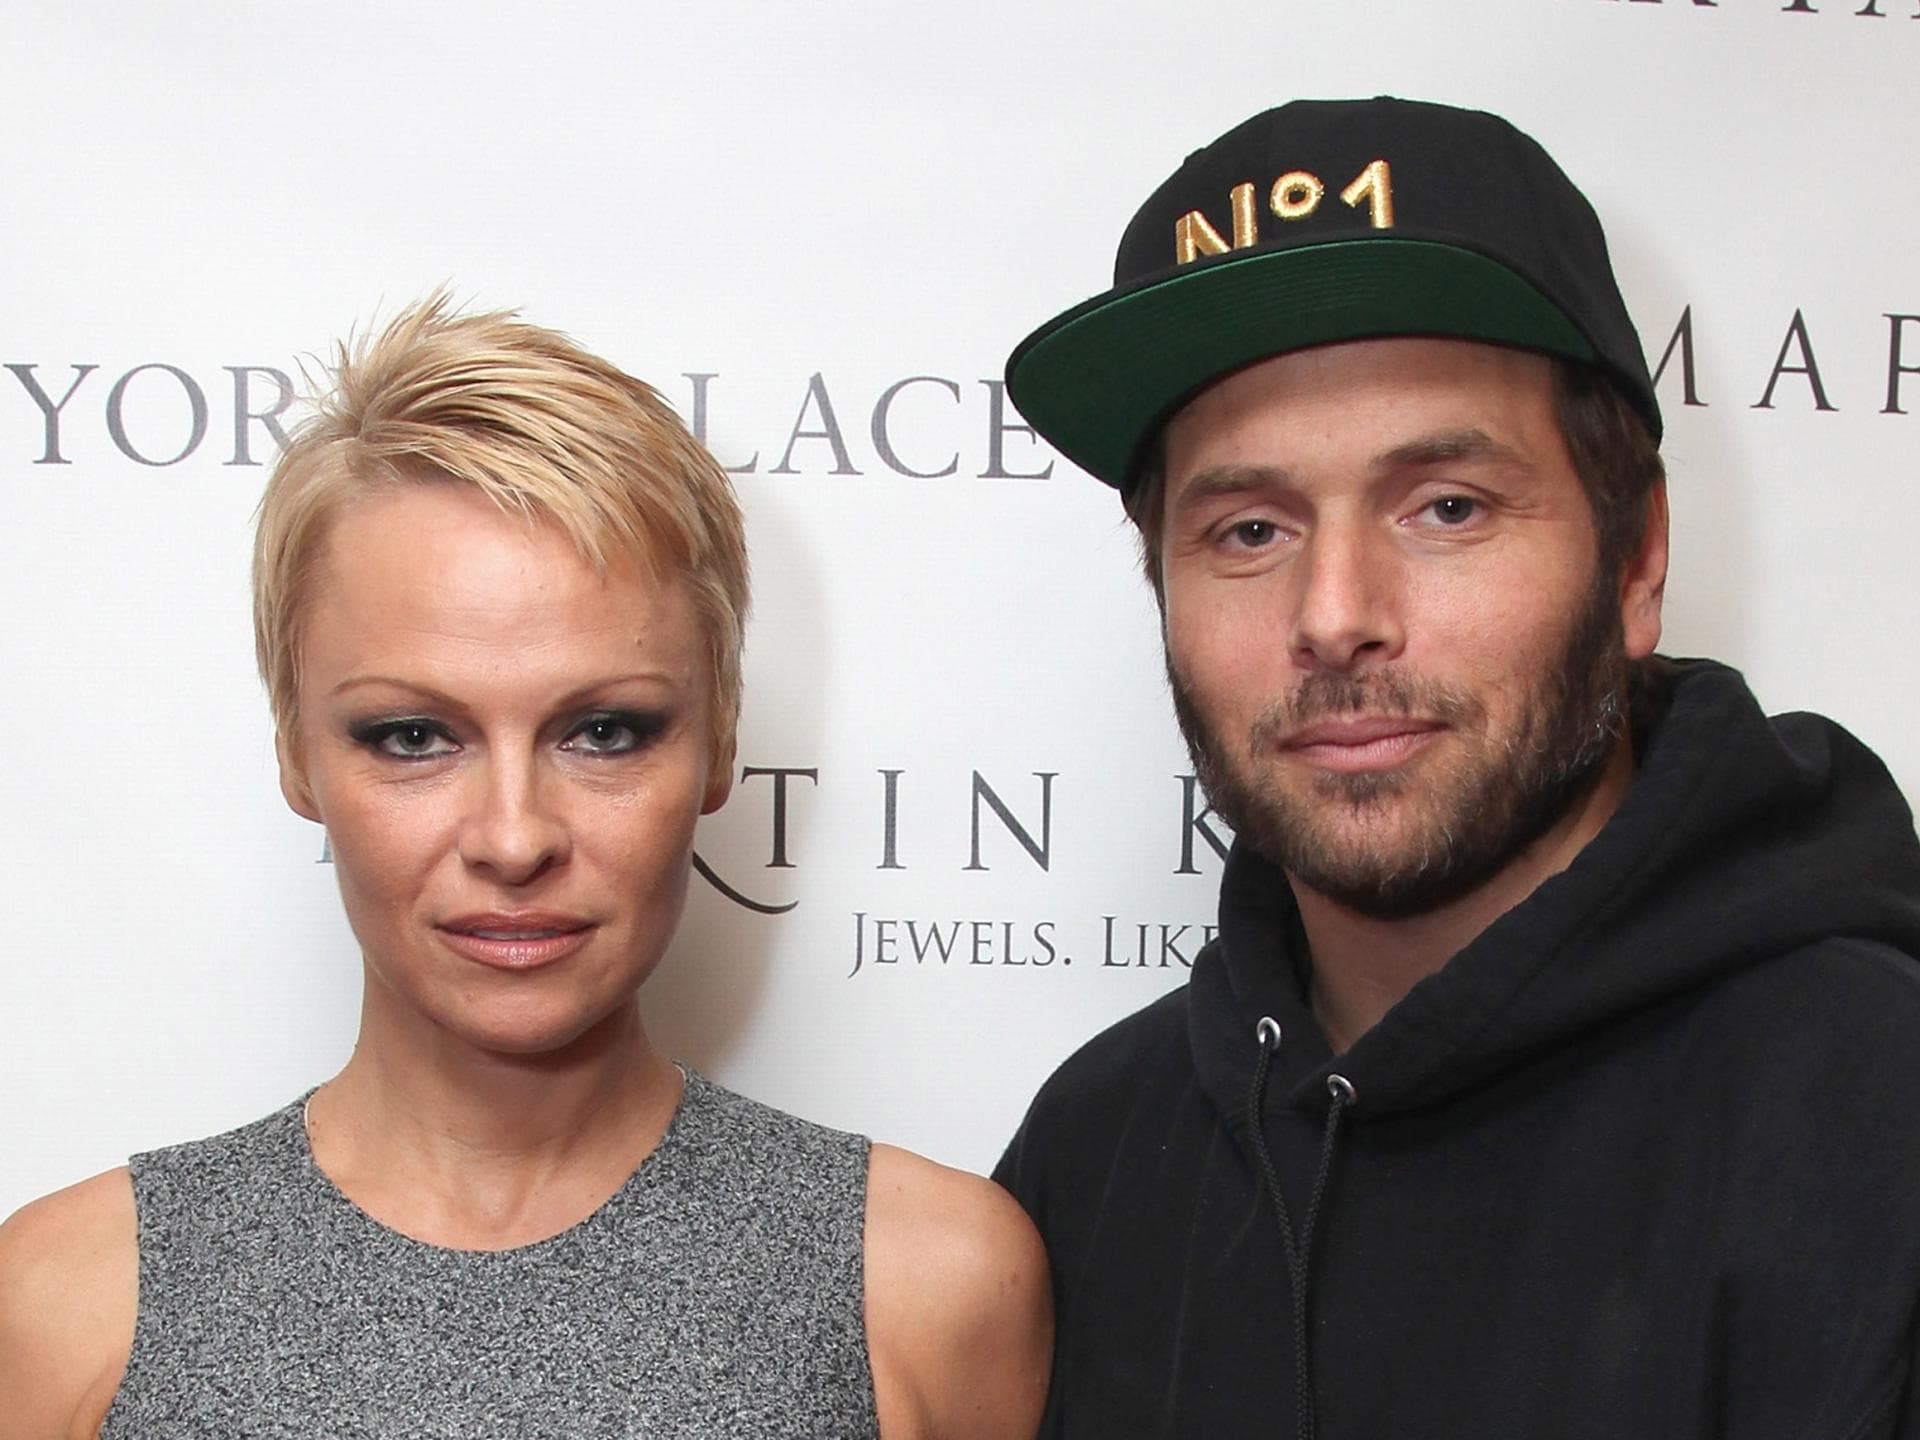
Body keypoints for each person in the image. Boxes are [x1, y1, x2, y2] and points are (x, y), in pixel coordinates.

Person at [992, 96, 1920, 1437]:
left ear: (1636, 559)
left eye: (1446, 507)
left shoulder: (1882, 1118)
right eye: (1249, 530)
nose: (1335, 615)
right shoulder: (1091, 1152)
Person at [0, 294, 1050, 1439]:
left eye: (604, 731)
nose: (513, 838)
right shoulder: (68, 1306)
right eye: (412, 736)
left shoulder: (931, 1287)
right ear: (296, 753)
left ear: (719, 742)